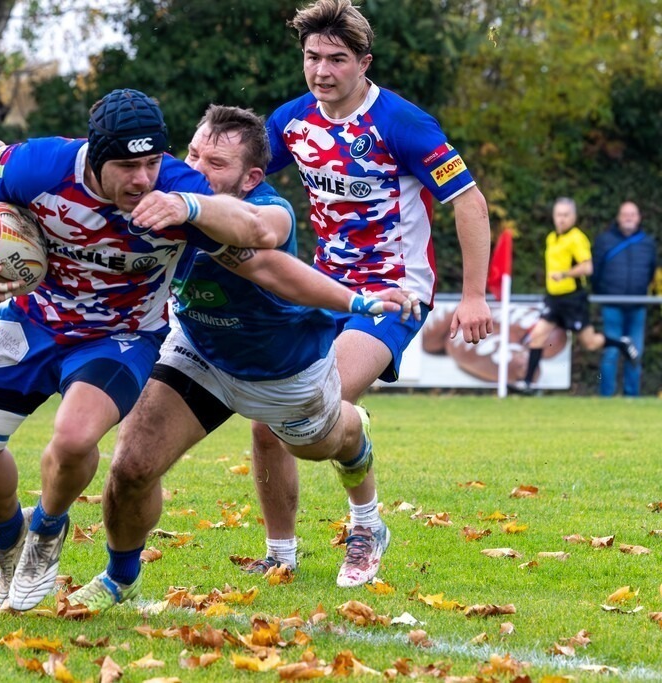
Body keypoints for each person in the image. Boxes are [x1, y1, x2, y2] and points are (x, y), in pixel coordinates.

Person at [0, 88, 333, 613]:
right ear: (95, 159)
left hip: (120, 336)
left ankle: (48, 530)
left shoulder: (177, 189)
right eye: (127, 166)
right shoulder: (39, 165)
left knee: (75, 436)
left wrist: (353, 300)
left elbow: (261, 250)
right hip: (34, 319)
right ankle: (9, 538)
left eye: (152, 163)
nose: (143, 179)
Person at [67, 104, 420, 612]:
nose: (196, 168)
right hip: (199, 352)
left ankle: (354, 436)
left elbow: (263, 234)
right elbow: (85, 169)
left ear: (251, 178)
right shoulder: (160, 183)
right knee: (132, 465)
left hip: (286, 374)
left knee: (322, 446)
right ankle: (121, 577)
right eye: (193, 154)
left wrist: (357, 302)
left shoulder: (269, 207)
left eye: (216, 163)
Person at [247, 0, 495, 581]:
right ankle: (280, 556)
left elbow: (470, 202)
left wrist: (474, 295)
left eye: (337, 59)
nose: (322, 70)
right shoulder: (291, 121)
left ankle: (367, 524)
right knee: (265, 421)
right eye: (312, 57)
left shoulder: (402, 123)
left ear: (364, 63)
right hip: (322, 290)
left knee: (312, 403)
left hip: (394, 292)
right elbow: (237, 171)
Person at [512, 198, 639, 395]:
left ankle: (621, 343)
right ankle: (528, 383)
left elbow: (588, 267)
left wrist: (564, 274)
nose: (561, 219)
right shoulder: (552, 238)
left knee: (590, 343)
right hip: (554, 299)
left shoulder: (577, 238)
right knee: (537, 336)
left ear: (573, 217)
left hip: (573, 299)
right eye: (558, 215)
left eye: (565, 215)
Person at [591, 201, 655, 397]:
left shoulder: (647, 243)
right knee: (611, 353)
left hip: (637, 306)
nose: (628, 218)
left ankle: (631, 396)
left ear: (639, 218)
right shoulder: (605, 241)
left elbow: (651, 271)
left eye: (632, 214)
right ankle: (607, 396)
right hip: (612, 306)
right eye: (625, 214)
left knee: (635, 352)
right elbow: (596, 272)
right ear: (618, 218)